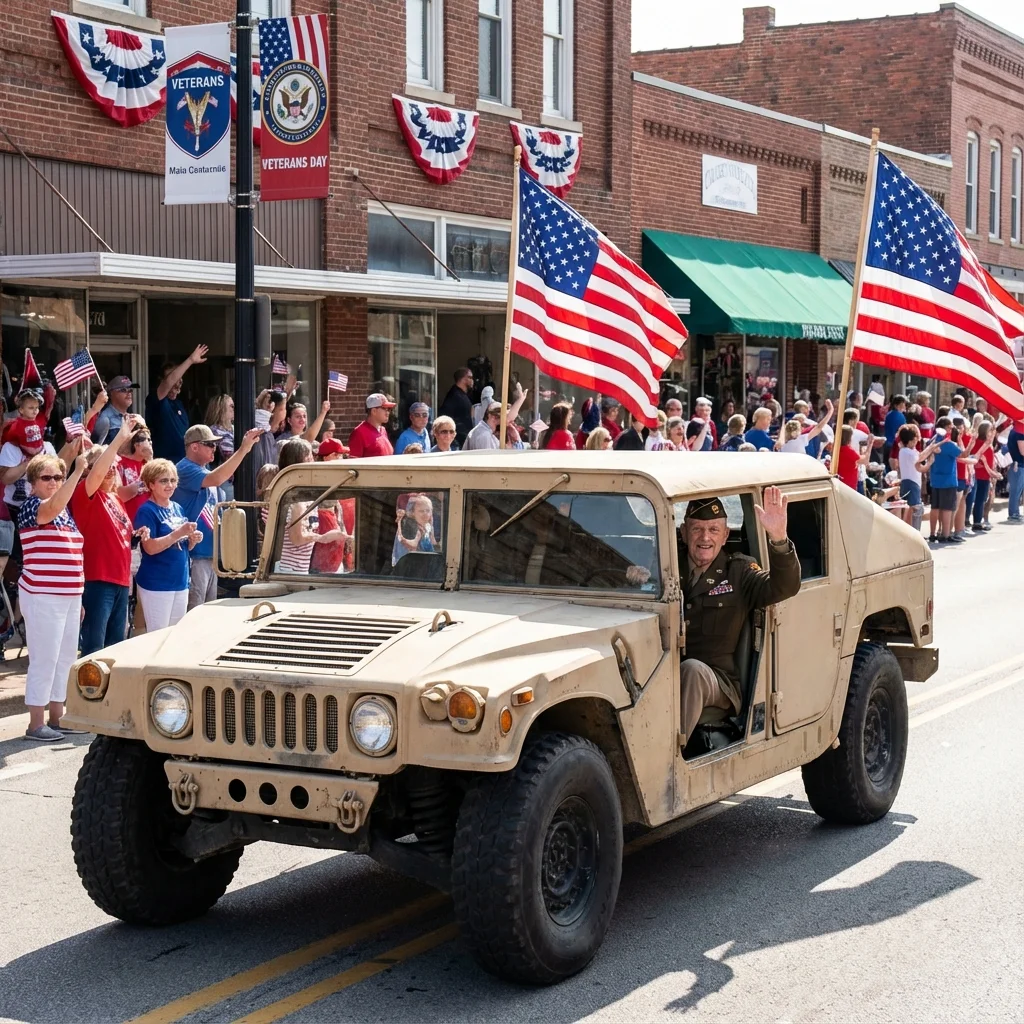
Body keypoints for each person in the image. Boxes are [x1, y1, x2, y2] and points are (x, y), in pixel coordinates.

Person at [678, 490, 801, 750]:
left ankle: (669, 762)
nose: (705, 537)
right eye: (697, 529)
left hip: (717, 681)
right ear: (683, 533)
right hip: (663, 670)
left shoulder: (738, 571)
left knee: (692, 670)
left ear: (725, 536)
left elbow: (784, 587)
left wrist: (778, 539)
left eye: (713, 529)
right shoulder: (667, 567)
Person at [18, 450, 88, 741]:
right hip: (42, 593)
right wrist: (75, 472)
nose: (54, 482)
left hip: (69, 594)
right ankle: (35, 723)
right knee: (45, 657)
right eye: (47, 477)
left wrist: (78, 596)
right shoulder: (31, 505)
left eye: (58, 477)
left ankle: (56, 717)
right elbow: (50, 508)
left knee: (65, 658)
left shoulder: (65, 512)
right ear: (33, 483)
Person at [73, 415, 149, 655]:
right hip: (98, 580)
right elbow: (97, 474)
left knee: (115, 648)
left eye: (114, 466)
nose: (111, 470)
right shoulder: (84, 492)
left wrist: (136, 535)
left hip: (120, 580)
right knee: (94, 648)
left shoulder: (115, 497)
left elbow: (117, 535)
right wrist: (120, 439)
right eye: (106, 465)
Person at [174, 423, 263, 608]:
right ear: (194, 446)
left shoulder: (206, 471)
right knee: (193, 613)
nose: (215, 448)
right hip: (193, 554)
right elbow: (217, 478)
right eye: (210, 444)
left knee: (206, 612)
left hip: (210, 555)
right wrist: (244, 449)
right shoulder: (184, 468)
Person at [134, 459, 200, 630]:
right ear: (151, 484)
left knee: (175, 636)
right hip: (157, 583)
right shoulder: (146, 510)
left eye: (172, 480)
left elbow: (183, 547)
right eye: (163, 480)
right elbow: (150, 547)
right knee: (158, 636)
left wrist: (191, 540)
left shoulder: (178, 508)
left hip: (180, 582)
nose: (169, 485)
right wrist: (179, 533)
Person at [275, 438, 347, 573]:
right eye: (308, 458)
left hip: (300, 570)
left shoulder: (302, 494)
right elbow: (297, 538)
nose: (312, 462)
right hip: (288, 572)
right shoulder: (294, 499)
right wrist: (322, 538)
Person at [145, 345, 208, 462]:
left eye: (180, 377)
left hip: (185, 462)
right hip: (165, 464)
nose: (178, 381)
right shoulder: (155, 400)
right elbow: (169, 381)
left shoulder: (179, 403)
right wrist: (190, 360)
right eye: (175, 377)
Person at [920, 422, 962, 543]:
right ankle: (945, 534)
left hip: (935, 479)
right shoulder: (947, 443)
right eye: (949, 427)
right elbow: (962, 453)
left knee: (935, 507)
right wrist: (960, 440)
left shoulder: (932, 441)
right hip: (948, 479)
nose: (951, 429)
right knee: (947, 508)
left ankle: (933, 533)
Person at [896, 425, 928, 533]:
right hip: (912, 483)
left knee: (911, 509)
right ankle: (916, 533)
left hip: (911, 482)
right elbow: (921, 457)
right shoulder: (908, 452)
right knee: (917, 509)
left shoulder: (904, 451)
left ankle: (912, 532)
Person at [969, 422, 999, 532]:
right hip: (982, 475)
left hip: (981, 475)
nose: (991, 433)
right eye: (990, 430)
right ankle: (977, 522)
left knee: (979, 499)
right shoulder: (982, 444)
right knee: (980, 500)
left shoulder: (980, 443)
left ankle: (977, 520)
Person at [90, 375, 137, 445]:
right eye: (123, 390)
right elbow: (97, 450)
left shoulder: (133, 417)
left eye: (130, 390)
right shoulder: (104, 419)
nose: (129, 393)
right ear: (111, 393)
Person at [393, 494, 437, 565]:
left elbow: (434, 544)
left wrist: (431, 528)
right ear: (413, 513)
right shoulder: (412, 528)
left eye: (428, 510)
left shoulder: (428, 526)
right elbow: (412, 546)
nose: (425, 513)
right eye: (421, 511)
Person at [205, 395, 236, 497]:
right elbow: (229, 454)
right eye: (231, 406)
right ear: (221, 409)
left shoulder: (234, 428)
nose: (234, 409)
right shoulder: (214, 431)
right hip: (224, 480)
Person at [348, 393, 396, 457]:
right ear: (374, 411)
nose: (388, 413)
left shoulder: (383, 430)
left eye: (389, 409)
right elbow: (353, 463)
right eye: (385, 409)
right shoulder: (359, 432)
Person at [438, 367, 475, 445]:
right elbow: (447, 416)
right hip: (457, 441)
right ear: (463, 379)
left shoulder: (462, 395)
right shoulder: (454, 396)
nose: (472, 381)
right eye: (470, 377)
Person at [836, 425, 870, 490]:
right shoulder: (848, 450)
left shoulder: (836, 449)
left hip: (841, 484)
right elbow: (865, 460)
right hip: (848, 487)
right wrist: (870, 445)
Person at [1007, 420, 1024, 523]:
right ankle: (1013, 513)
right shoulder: (1020, 432)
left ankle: (1015, 512)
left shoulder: (1015, 431)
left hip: (1017, 464)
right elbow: (1023, 451)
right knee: (1016, 491)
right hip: (1018, 465)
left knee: (1016, 490)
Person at [883, 394, 907, 462]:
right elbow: (904, 431)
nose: (904, 406)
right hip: (895, 445)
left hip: (887, 442)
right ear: (896, 405)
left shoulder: (888, 414)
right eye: (902, 404)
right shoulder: (901, 416)